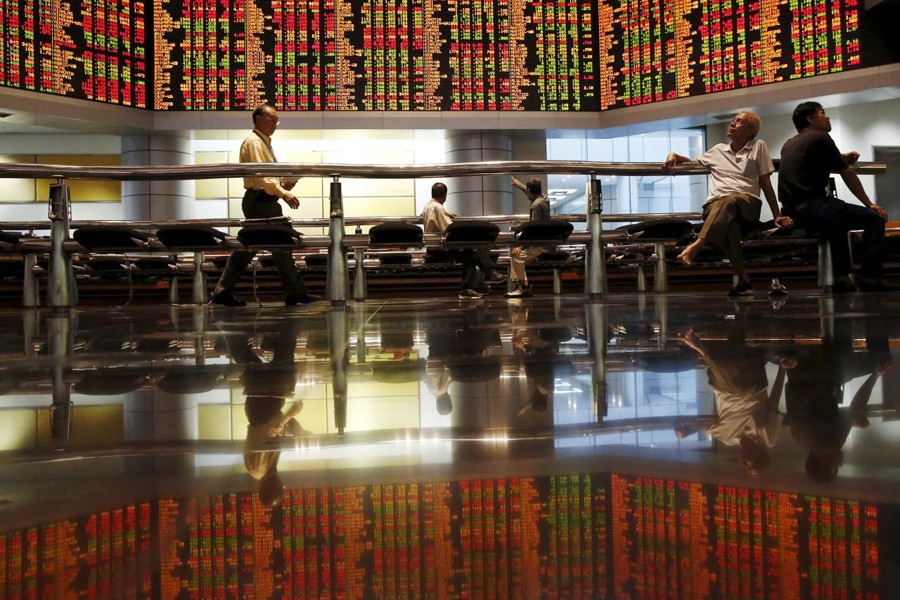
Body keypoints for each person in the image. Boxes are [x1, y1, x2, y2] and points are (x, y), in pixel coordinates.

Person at [664, 111, 792, 296]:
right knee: (728, 225)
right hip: (715, 206)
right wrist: (673, 155)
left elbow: (765, 183)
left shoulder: (758, 146)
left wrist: (777, 215)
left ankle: (698, 243)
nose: (732, 123)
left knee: (730, 199)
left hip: (747, 203)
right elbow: (691, 161)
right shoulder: (717, 150)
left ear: (750, 131)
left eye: (739, 122)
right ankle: (744, 281)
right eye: (733, 121)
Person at [778, 101, 896, 293]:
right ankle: (871, 277)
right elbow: (847, 174)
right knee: (874, 219)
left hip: (792, 211)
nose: (828, 117)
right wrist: (870, 204)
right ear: (811, 119)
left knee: (837, 220)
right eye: (823, 113)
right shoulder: (821, 137)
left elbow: (815, 162)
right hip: (814, 206)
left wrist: (841, 157)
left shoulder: (791, 143)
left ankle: (843, 278)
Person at [211, 104, 320, 307]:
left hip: (263, 201)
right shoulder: (254, 142)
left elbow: (267, 178)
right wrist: (284, 192)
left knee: (263, 245)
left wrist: (285, 184)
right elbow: (261, 176)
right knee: (268, 244)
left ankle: (224, 290)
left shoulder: (263, 142)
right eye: (272, 120)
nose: (275, 125)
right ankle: (293, 292)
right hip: (259, 201)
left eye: (276, 121)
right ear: (259, 119)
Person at [420, 182, 503, 300]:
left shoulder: (428, 206)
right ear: (445, 195)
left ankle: (480, 280)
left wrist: (445, 212)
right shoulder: (438, 207)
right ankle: (487, 274)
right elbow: (449, 228)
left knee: (470, 252)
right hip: (439, 249)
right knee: (471, 251)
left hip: (433, 247)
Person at [506, 177, 552, 298]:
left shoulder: (535, 206)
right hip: (548, 241)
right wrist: (518, 185)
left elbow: (533, 229)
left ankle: (522, 287)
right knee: (517, 253)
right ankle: (524, 284)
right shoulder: (545, 198)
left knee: (516, 255)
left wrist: (521, 246)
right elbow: (530, 193)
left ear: (529, 190)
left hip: (541, 245)